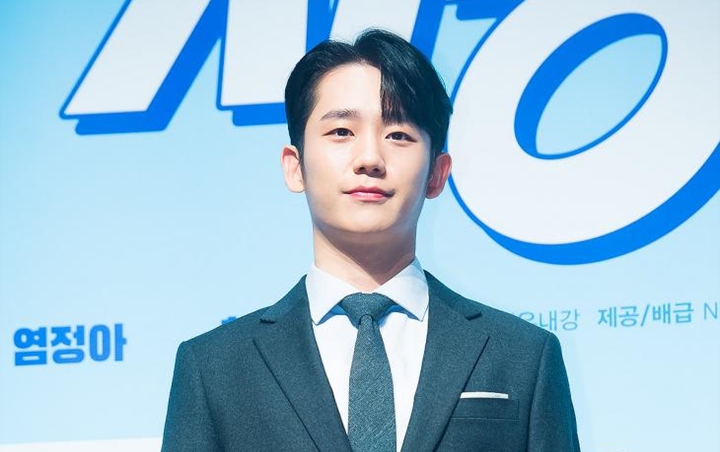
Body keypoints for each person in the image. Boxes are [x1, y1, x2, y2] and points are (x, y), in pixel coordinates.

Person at [161, 28, 580, 452]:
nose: (369, 159)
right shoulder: (214, 369)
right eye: (341, 132)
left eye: (398, 135)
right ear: (295, 166)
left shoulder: (523, 356)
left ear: (437, 174)